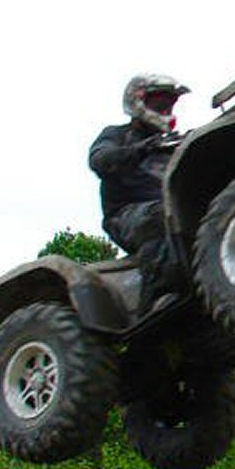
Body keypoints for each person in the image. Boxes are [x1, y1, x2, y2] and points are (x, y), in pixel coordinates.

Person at [88, 73, 190, 314]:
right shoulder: (117, 135)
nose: (165, 110)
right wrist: (141, 149)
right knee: (162, 216)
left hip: (168, 207)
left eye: (168, 105)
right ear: (137, 102)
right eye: (159, 105)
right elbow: (100, 159)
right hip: (125, 215)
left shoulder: (171, 146)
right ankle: (156, 298)